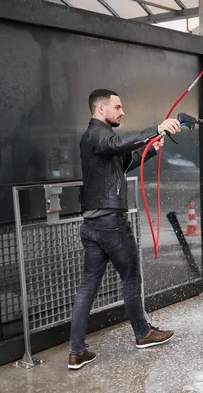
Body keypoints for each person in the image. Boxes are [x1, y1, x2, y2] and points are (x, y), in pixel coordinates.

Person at [68, 89, 181, 370]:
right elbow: (118, 144)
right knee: (131, 280)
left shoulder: (99, 141)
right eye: (117, 107)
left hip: (92, 226)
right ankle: (143, 333)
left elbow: (125, 161)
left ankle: (77, 352)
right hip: (110, 224)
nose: (122, 112)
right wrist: (156, 128)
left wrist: (151, 149)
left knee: (87, 288)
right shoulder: (97, 134)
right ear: (100, 109)